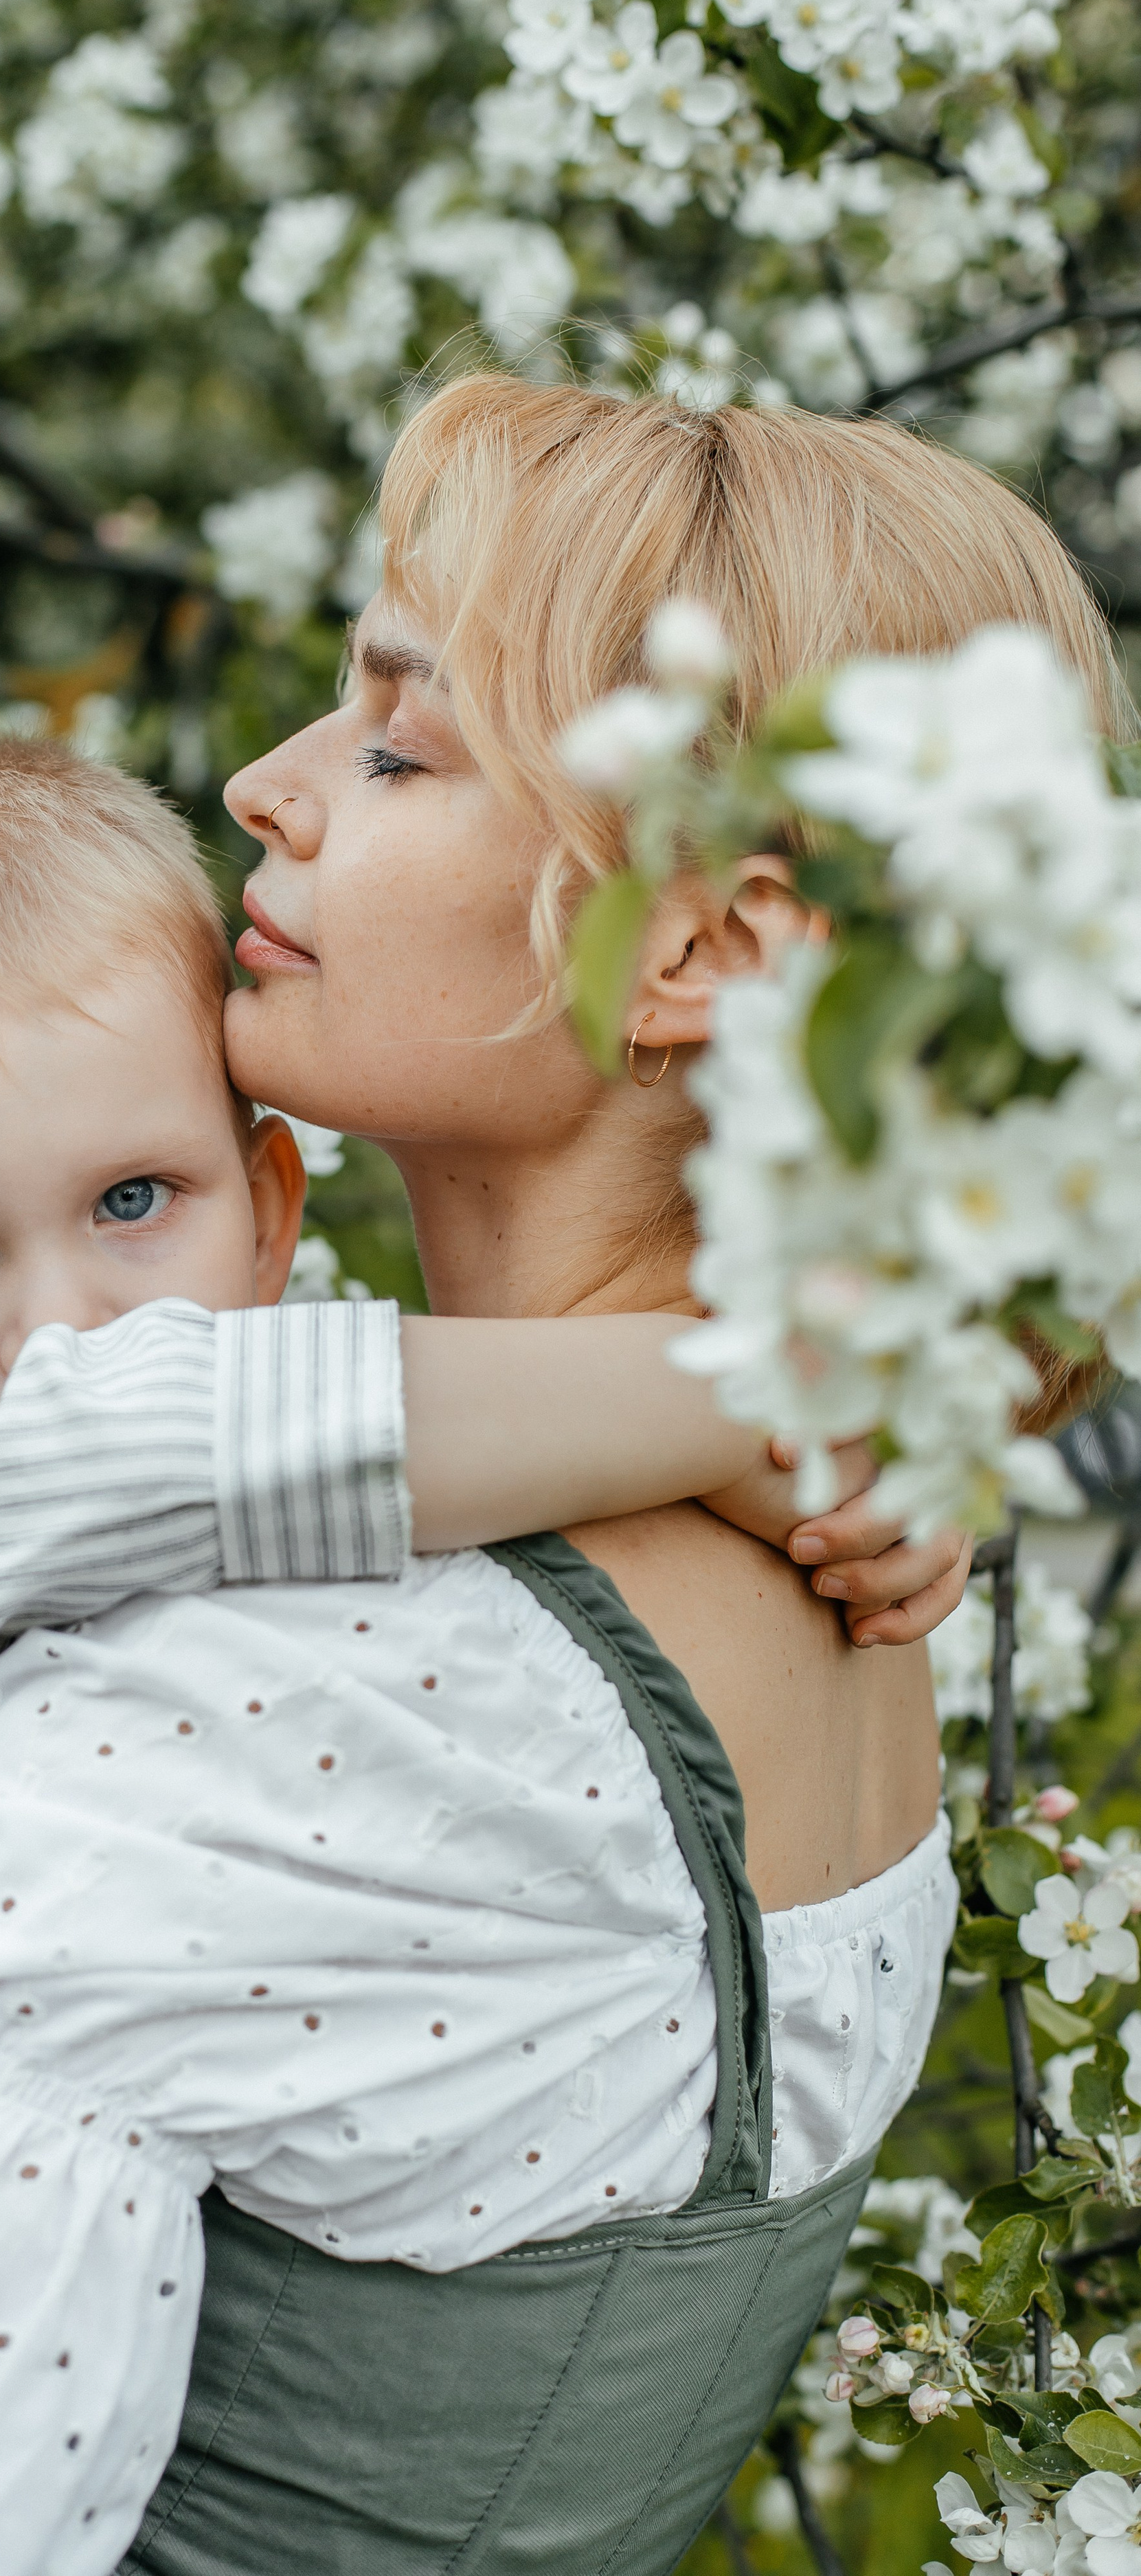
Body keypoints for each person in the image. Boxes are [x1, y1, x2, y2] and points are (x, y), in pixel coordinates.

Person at [0, 725, 958, 2575]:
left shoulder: (316, 1468)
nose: (60, 1330)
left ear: (275, 1208)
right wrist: (739, 1407)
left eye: (137, 1203)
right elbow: (119, 1446)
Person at [104, 376, 1131, 2576]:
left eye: (397, 745)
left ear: (690, 953)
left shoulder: (413, 1694)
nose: (262, 787)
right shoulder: (813, 1580)